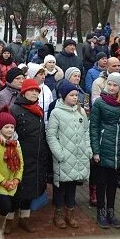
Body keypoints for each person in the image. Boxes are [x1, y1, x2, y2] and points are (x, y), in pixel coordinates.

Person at [89, 72, 120, 229]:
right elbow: (93, 127)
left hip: (118, 147)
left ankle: (111, 211)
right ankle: (101, 212)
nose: (112, 87)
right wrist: (95, 150)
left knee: (113, 182)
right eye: (110, 84)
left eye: (115, 85)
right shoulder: (99, 103)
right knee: (101, 182)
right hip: (103, 147)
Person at [47, 80, 91, 229]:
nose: (75, 98)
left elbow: (86, 131)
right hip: (64, 156)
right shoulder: (56, 112)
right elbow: (51, 135)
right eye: (72, 95)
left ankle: (70, 214)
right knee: (60, 188)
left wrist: (88, 149)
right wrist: (59, 153)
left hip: (78, 155)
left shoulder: (81, 111)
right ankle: (58, 214)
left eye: (76, 95)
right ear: (64, 95)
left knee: (73, 186)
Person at [10, 78, 49, 233]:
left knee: (30, 190)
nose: (34, 93)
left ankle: (24, 219)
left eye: (36, 91)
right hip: (20, 158)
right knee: (17, 191)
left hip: (36, 158)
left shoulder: (38, 110)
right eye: (31, 90)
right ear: (24, 92)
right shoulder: (14, 109)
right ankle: (9, 220)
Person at [0, 108, 23, 239]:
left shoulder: (16, 143)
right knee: (5, 205)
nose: (10, 130)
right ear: (0, 128)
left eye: (12, 127)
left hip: (13, 181)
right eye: (6, 127)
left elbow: (21, 163)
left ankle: (7, 223)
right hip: (0, 183)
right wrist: (3, 182)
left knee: (15, 203)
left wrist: (16, 179)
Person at [0, 67, 24, 132]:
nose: (21, 81)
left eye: (23, 78)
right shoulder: (1, 96)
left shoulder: (24, 94)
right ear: (10, 79)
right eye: (18, 78)